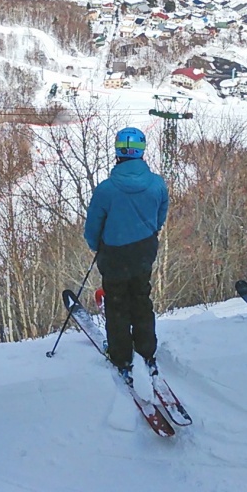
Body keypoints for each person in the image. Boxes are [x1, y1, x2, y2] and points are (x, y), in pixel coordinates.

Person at [83, 127, 169, 384]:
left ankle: (121, 356)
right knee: (141, 297)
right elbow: (159, 217)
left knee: (117, 302)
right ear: (142, 152)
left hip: (114, 254)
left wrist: (96, 245)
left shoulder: (106, 190)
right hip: (144, 250)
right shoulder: (157, 184)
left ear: (118, 152)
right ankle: (146, 349)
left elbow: (93, 228)